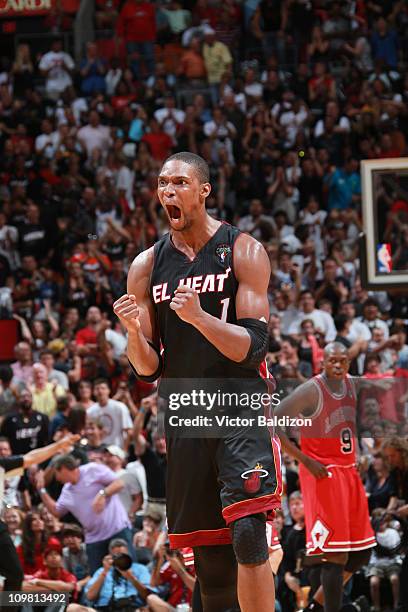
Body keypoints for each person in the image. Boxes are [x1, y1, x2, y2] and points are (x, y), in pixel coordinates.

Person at [113, 152, 281, 612]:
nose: (168, 191)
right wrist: (132, 334)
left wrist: (201, 319)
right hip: (187, 415)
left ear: (203, 190)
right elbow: (147, 368)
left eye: (180, 183)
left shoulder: (243, 249)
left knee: (248, 535)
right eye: (163, 183)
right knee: (210, 562)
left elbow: (254, 347)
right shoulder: (146, 266)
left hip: (239, 409)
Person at [275, 343, 376, 612]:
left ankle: (314, 608)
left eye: (343, 361)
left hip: (348, 471)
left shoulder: (351, 385)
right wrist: (305, 460)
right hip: (323, 474)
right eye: (333, 360)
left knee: (361, 552)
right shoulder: (311, 389)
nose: (338, 365)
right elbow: (273, 420)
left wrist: (362, 454)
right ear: (323, 362)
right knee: (336, 556)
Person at [0, 433, 78, 608]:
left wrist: (58, 445)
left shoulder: (2, 465)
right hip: (36, 591)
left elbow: (31, 457)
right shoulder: (23, 545)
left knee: (15, 576)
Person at [35, 454, 133, 574]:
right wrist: (41, 490)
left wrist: (103, 494)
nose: (56, 478)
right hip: (94, 538)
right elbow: (56, 511)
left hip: (117, 529)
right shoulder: (67, 490)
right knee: (98, 576)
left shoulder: (92, 469)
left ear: (64, 468)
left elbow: (119, 484)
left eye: (56, 473)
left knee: (128, 570)